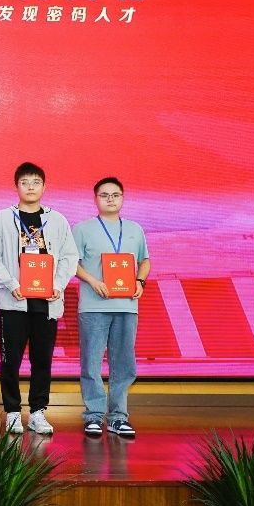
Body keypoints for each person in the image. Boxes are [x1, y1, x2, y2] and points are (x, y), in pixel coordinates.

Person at [0, 162, 79, 436]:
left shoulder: (57, 220)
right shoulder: (2, 218)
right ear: (16, 186)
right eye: (25, 182)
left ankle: (38, 412)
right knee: (10, 360)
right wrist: (11, 283)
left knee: (42, 360)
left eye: (36, 182)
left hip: (46, 302)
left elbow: (70, 256)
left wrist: (58, 285)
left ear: (44, 187)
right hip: (13, 301)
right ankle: (12, 412)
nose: (30, 187)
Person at [74, 177, 150, 439]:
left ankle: (118, 417)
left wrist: (140, 281)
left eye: (115, 195)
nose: (110, 199)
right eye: (104, 195)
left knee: (124, 363)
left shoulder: (134, 229)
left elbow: (145, 261)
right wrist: (93, 281)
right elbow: (72, 263)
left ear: (122, 198)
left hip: (127, 305)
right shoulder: (82, 229)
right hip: (93, 305)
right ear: (95, 199)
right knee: (91, 362)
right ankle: (94, 416)